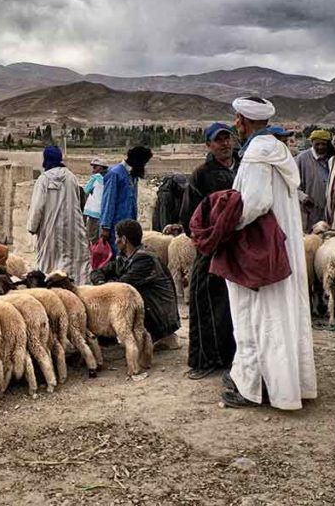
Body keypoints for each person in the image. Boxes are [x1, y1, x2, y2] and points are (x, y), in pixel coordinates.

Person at [221, 96, 316, 409]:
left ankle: (252, 388)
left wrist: (226, 225)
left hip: (261, 248)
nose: (235, 124)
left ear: (245, 121)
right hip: (283, 244)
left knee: (255, 315)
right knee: (281, 313)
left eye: (237, 119)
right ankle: (288, 386)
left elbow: (256, 202)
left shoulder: (258, 153)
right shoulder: (279, 150)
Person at [178, 122, 238, 380]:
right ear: (209, 145)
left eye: (227, 138)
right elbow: (189, 216)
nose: (224, 144)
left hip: (237, 249)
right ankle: (204, 360)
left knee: (231, 304)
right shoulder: (202, 174)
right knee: (203, 299)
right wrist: (203, 240)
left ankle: (230, 357)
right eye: (218, 140)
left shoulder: (243, 169)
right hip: (210, 250)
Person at [90, 219, 180, 358]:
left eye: (117, 237)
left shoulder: (145, 260)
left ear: (124, 240)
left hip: (160, 317)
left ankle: (163, 337)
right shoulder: (124, 259)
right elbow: (96, 272)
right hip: (154, 311)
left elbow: (121, 286)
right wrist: (101, 282)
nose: (115, 241)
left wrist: (103, 288)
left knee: (123, 297)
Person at [28, 146, 89, 283]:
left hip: (50, 231)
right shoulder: (71, 177)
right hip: (72, 228)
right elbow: (78, 202)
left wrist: (32, 227)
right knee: (72, 267)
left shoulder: (43, 180)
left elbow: (37, 207)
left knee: (48, 267)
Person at [99, 145, 153, 257]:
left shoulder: (133, 176)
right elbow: (108, 201)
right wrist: (105, 227)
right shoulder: (115, 173)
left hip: (128, 226)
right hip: (115, 226)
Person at [295, 129, 334, 232]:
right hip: (309, 210)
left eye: (324, 144)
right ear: (311, 143)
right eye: (317, 144)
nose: (320, 147)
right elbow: (293, 185)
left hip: (328, 209)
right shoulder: (302, 158)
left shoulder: (332, 158)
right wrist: (304, 198)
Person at [82, 158, 107, 242]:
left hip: (93, 212)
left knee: (91, 237)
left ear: (101, 168)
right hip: (104, 212)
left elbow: (85, 190)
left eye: (95, 167)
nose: (93, 170)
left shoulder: (95, 177)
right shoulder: (109, 177)